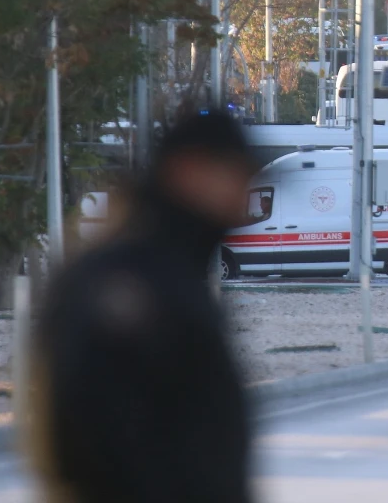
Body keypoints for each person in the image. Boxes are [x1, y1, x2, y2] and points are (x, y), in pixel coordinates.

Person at [32, 111, 256, 503]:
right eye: (235, 178)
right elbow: (82, 434)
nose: (241, 201)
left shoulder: (168, 268)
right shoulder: (128, 284)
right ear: (189, 170)